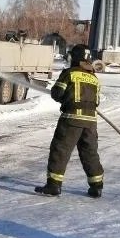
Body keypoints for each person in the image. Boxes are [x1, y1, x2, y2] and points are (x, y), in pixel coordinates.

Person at [34, 43, 104, 197]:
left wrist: (66, 97)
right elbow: (97, 101)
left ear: (74, 58)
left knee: (60, 150)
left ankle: (53, 185)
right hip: (91, 121)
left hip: (71, 119)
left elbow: (57, 93)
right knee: (89, 152)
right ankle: (96, 186)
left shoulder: (69, 73)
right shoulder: (94, 78)